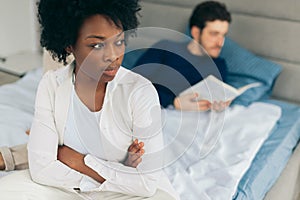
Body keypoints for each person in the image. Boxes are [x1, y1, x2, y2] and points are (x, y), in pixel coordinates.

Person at [0, 0, 178, 199]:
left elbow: (145, 183)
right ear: (69, 45)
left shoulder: (140, 90)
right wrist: (113, 175)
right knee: (5, 189)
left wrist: (78, 161)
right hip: (68, 186)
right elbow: (42, 168)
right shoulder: (51, 85)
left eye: (118, 42)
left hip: (123, 194)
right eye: (97, 45)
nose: (113, 56)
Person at [133, 0, 232, 111]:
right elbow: (132, 85)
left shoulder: (219, 65)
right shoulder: (165, 49)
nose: (220, 43)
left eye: (223, 35)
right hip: (158, 112)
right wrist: (173, 102)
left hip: (201, 122)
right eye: (214, 34)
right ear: (196, 32)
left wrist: (219, 106)